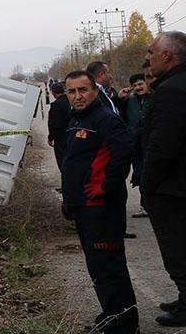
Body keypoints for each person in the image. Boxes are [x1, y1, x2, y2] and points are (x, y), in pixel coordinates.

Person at [61, 69, 138, 333]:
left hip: (101, 208)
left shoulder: (105, 119)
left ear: (95, 90)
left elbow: (124, 153)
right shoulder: (76, 120)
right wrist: (70, 199)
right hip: (83, 208)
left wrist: (104, 187)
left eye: (83, 90)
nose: (77, 96)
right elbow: (77, 164)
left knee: (109, 268)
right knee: (98, 268)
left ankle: (124, 325)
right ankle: (112, 316)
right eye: (72, 91)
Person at [142, 32, 186, 326]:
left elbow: (162, 147)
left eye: (152, 52)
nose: (148, 58)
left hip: (172, 188)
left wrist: (147, 185)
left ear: (168, 55)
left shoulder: (171, 90)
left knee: (178, 250)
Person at [125, 73, 150, 188]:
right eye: (135, 85)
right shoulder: (130, 101)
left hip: (150, 142)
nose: (138, 87)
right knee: (139, 173)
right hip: (135, 143)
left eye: (140, 84)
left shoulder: (155, 98)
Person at [47, 80, 71, 172]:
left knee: (62, 162)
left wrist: (50, 137)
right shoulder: (70, 101)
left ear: (53, 92)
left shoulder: (56, 105)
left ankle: (66, 185)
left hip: (61, 139)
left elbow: (55, 124)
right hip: (72, 136)